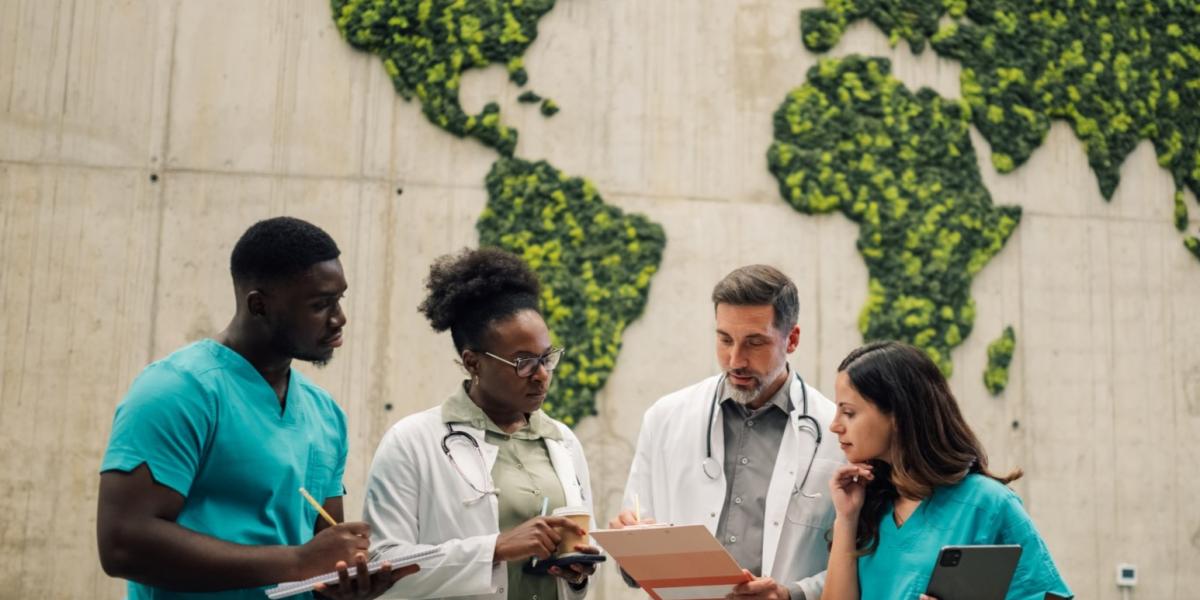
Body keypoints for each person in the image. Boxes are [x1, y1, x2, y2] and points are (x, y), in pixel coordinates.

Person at [97, 217, 414, 600]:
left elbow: (321, 562)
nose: (339, 318)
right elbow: (123, 544)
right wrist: (297, 562)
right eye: (320, 304)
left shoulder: (325, 414)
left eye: (339, 300)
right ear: (259, 305)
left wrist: (347, 582)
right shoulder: (177, 390)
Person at [361, 247, 598, 600]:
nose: (542, 375)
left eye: (547, 358)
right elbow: (384, 564)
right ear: (473, 363)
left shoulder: (562, 442)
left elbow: (575, 568)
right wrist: (496, 549)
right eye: (523, 362)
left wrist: (577, 575)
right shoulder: (411, 442)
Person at [609, 265, 844, 600]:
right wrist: (631, 551)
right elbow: (634, 547)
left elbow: (858, 562)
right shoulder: (665, 418)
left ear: (791, 339)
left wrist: (792, 594)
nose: (735, 359)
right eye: (724, 339)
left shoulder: (837, 433)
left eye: (754, 342)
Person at [823, 341, 1073, 599]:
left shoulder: (987, 504)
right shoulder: (864, 502)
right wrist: (846, 519)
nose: (835, 425)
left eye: (849, 413)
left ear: (898, 415)